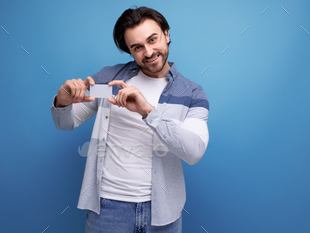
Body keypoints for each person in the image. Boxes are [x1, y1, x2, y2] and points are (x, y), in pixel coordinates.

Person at [51, 6, 209, 233]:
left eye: (153, 39)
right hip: (108, 211)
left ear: (166, 34)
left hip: (163, 214)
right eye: (137, 47)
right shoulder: (109, 84)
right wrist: (63, 101)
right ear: (130, 51)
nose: (148, 52)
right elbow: (66, 123)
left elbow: (194, 152)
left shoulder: (190, 94)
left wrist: (148, 111)